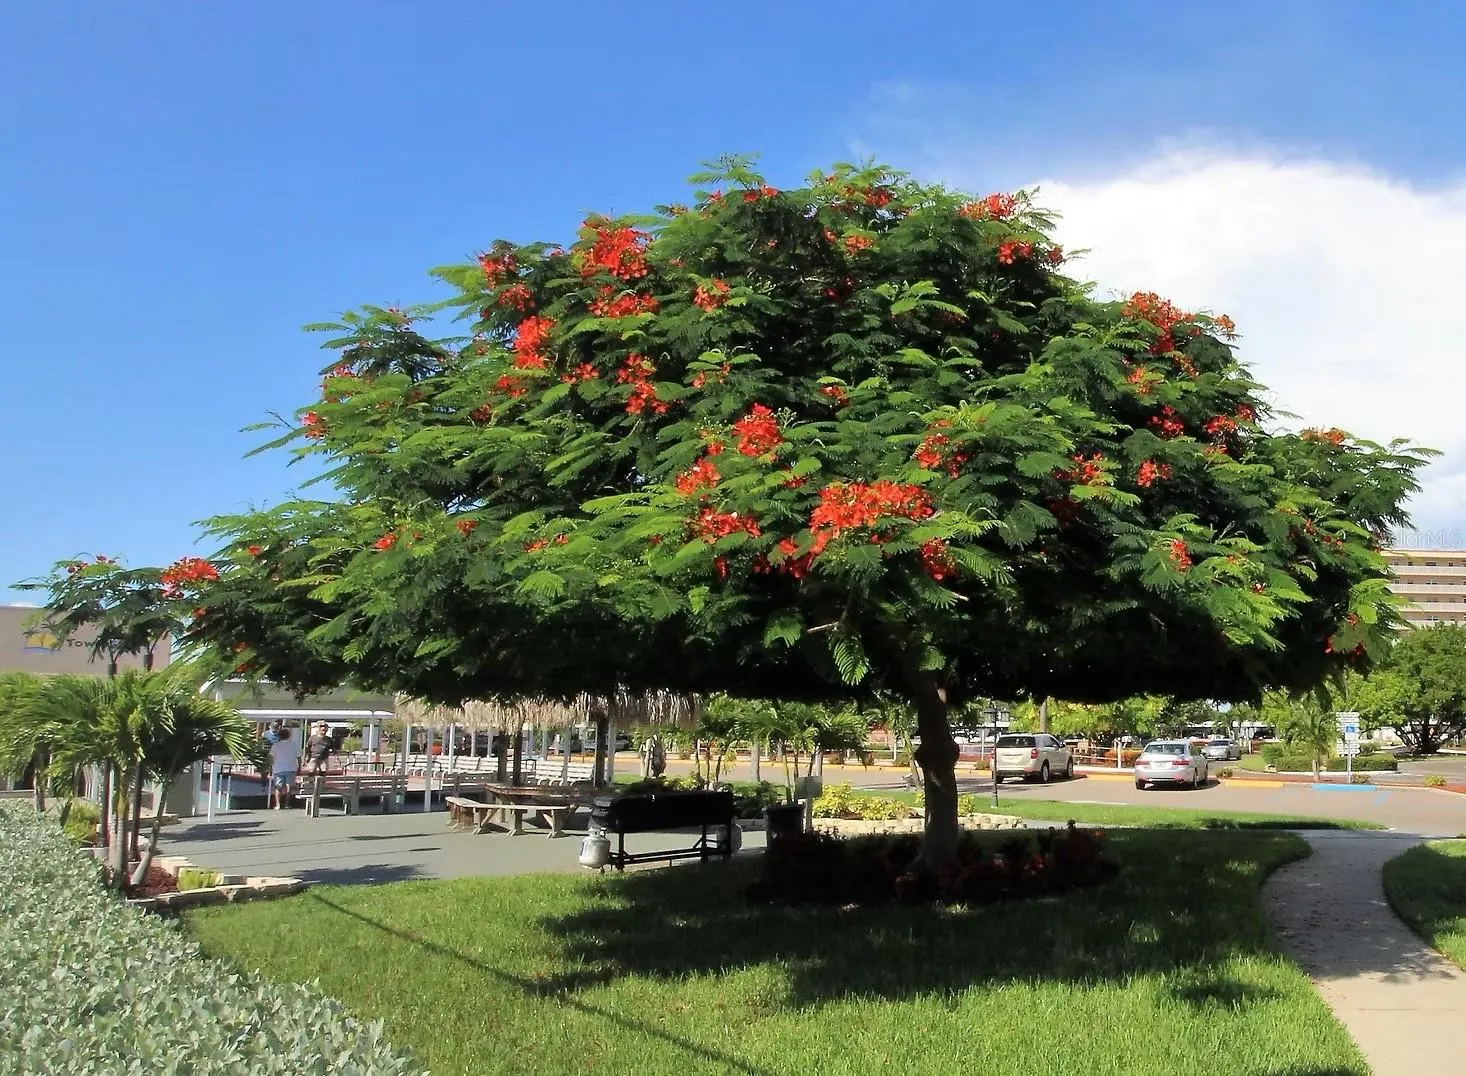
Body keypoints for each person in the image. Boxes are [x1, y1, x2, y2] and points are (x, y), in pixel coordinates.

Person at [269, 728, 300, 810]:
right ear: (289, 736)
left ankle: (278, 804)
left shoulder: (275, 745)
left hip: (278, 768)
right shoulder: (293, 745)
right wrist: (299, 766)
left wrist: (270, 767)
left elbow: (271, 757)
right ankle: (287, 804)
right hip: (291, 767)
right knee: (289, 787)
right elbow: (298, 757)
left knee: (278, 787)